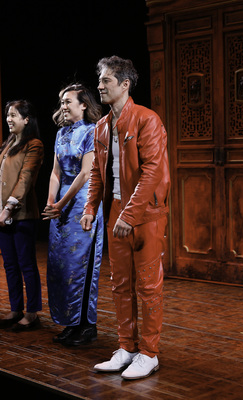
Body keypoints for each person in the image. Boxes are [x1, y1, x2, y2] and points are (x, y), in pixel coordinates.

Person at [81, 56, 170, 380]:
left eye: (106, 81)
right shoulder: (102, 126)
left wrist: (130, 215)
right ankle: (127, 348)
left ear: (124, 84)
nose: (100, 86)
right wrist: (91, 208)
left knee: (148, 286)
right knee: (120, 285)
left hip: (145, 213)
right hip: (117, 210)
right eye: (100, 80)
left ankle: (149, 353)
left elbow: (152, 172)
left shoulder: (147, 120)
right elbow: (96, 173)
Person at [42, 84, 104, 346]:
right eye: (62, 102)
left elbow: (85, 173)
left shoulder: (92, 132)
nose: (63, 106)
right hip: (61, 205)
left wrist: (62, 203)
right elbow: (56, 172)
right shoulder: (61, 133)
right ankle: (70, 322)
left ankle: (87, 326)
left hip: (82, 202)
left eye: (68, 101)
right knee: (61, 266)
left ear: (84, 105)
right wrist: (50, 202)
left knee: (82, 266)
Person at [0, 100, 44, 332]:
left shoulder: (34, 144)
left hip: (22, 215)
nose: (9, 119)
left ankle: (32, 313)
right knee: (9, 264)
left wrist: (9, 208)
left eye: (14, 115)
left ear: (26, 119)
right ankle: (15, 308)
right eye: (7, 115)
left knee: (26, 264)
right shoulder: (9, 143)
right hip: (0, 212)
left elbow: (26, 179)